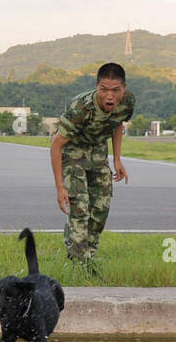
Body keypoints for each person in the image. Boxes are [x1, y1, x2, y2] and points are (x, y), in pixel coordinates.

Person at [51, 63, 134, 272]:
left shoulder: (128, 102)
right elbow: (56, 144)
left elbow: (117, 124)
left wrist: (117, 159)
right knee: (80, 208)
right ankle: (79, 265)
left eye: (116, 90)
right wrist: (60, 187)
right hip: (72, 150)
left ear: (124, 89)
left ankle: (89, 253)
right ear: (97, 87)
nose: (110, 96)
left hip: (97, 150)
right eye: (104, 89)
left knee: (101, 208)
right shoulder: (81, 108)